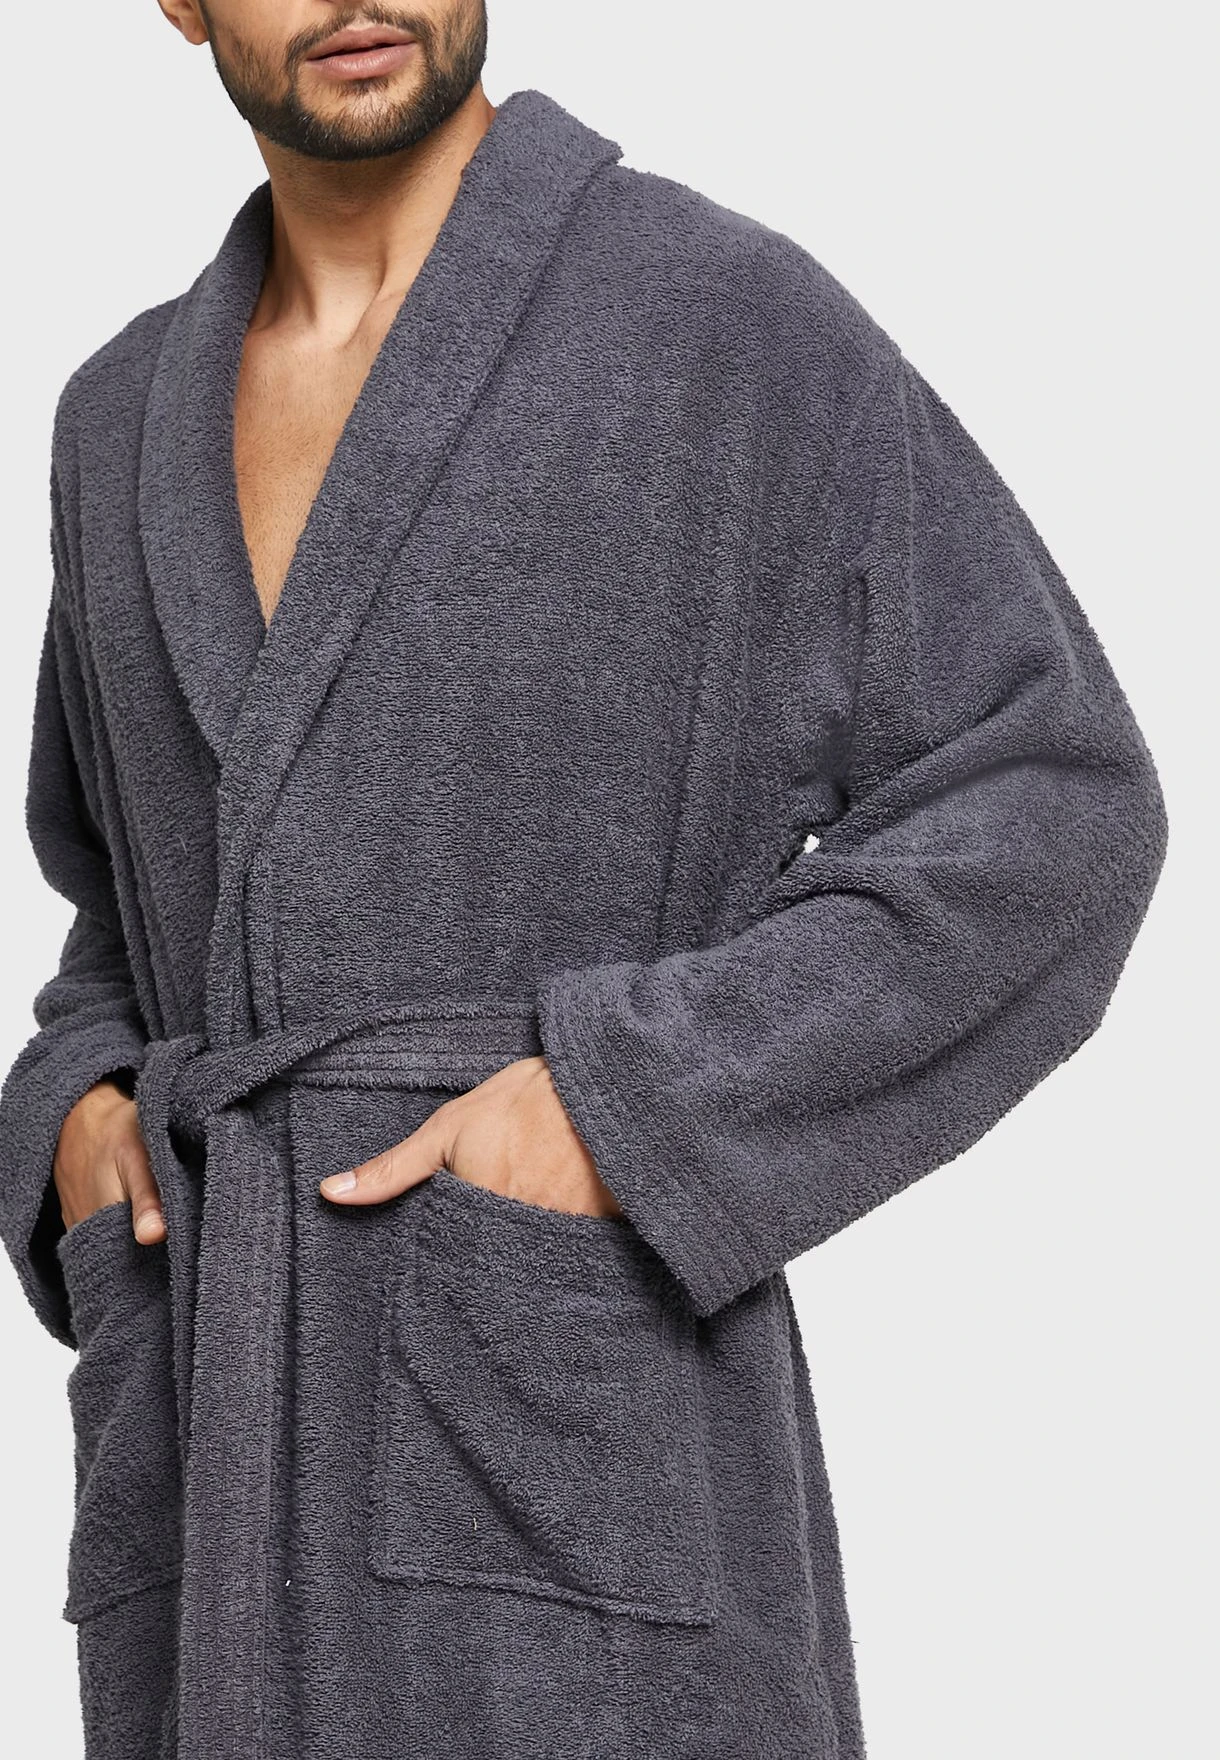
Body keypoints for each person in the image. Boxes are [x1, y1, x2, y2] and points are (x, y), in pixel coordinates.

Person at [0, 4, 1169, 1757]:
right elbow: (124, 898)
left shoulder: (723, 326)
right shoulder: (117, 420)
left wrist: (630, 1110)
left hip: (569, 1434)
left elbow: (1051, 800)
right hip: (208, 1447)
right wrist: (77, 1122)